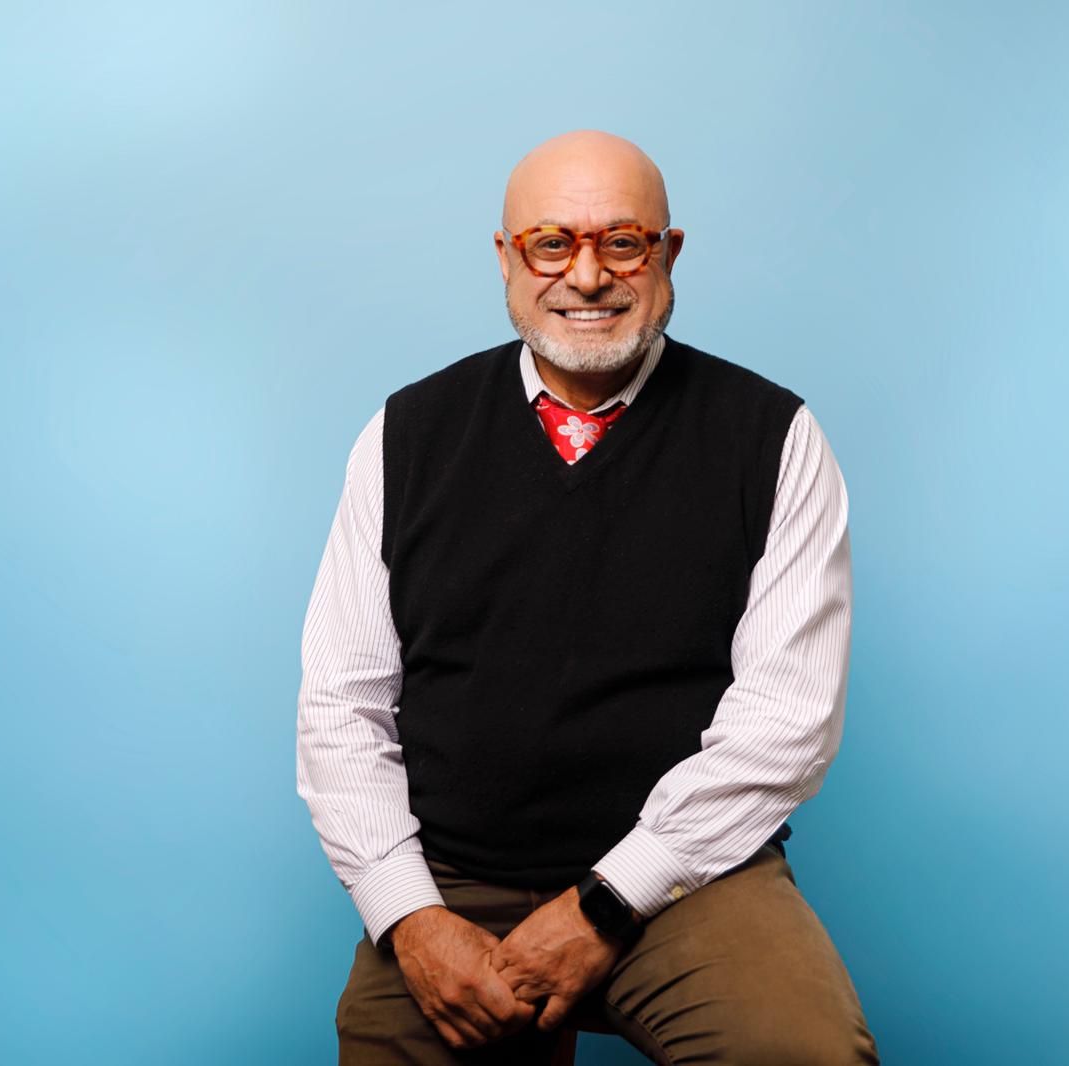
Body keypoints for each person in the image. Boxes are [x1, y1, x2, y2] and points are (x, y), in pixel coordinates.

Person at [296, 130, 879, 1065]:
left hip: (687, 877)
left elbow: (787, 721)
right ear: (506, 258)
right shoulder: (405, 434)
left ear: (668, 253)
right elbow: (341, 704)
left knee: (802, 1055)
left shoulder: (773, 437)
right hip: (449, 879)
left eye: (622, 242)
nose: (587, 275)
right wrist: (405, 915)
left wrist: (608, 901)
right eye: (551, 242)